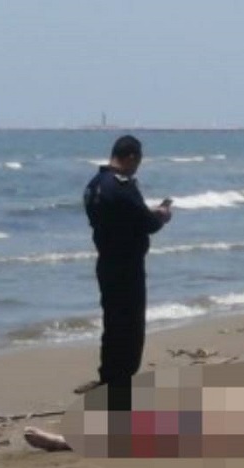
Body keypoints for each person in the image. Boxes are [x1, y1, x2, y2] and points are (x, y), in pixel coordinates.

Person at [79, 135, 172, 393]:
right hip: (127, 265)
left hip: (106, 262)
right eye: (138, 161)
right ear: (131, 157)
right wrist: (161, 215)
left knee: (112, 322)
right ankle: (123, 380)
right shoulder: (121, 186)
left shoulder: (94, 184)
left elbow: (126, 216)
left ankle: (109, 374)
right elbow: (147, 223)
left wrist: (145, 213)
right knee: (130, 326)